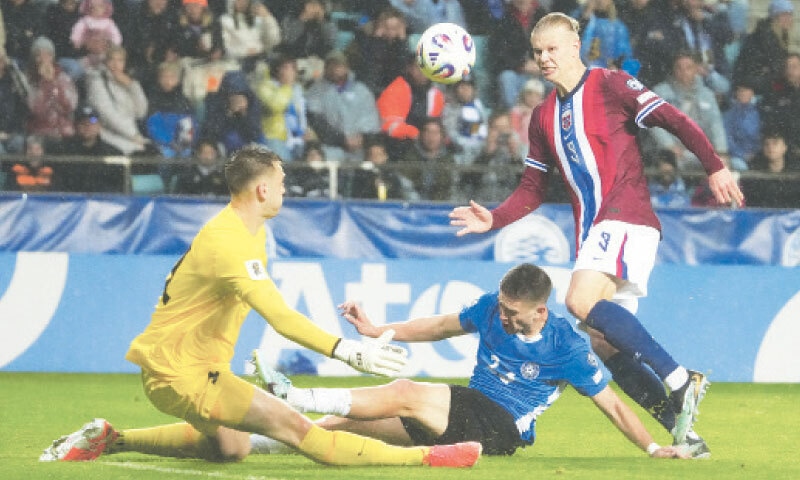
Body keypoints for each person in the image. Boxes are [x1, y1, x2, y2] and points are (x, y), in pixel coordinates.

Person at [39, 144, 481, 468]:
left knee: (231, 448)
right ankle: (430, 457)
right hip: (182, 373)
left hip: (184, 367)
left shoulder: (248, 232)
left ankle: (110, 439)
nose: (286, 191)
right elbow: (280, 316)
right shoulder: (229, 241)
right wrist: (346, 350)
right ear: (263, 189)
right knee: (301, 431)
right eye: (282, 184)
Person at [448, 12, 744, 454]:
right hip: (594, 232)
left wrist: (715, 166)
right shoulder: (543, 116)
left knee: (578, 300)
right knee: (602, 342)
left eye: (552, 49)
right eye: (537, 52)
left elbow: (674, 119)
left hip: (626, 215)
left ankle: (682, 380)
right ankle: (682, 430)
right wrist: (495, 218)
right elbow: (532, 188)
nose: (544, 58)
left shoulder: (612, 84)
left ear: (575, 47)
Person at [248, 263, 690, 459]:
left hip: (502, 427)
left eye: (513, 312)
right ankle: (256, 443)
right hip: (464, 415)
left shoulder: (567, 348)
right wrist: (376, 329)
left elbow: (613, 406)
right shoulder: (489, 309)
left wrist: (652, 447)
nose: (503, 317)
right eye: (502, 307)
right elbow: (439, 326)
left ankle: (293, 395)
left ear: (540, 310)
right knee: (343, 425)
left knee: (404, 391)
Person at [649, 51, 728, 171]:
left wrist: (721, 151)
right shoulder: (660, 92)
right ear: (674, 70)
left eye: (688, 68)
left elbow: (716, 124)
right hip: (671, 152)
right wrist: (669, 146)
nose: (684, 72)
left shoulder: (707, 95)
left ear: (696, 69)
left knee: (727, 167)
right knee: (668, 166)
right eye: (679, 68)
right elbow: (654, 123)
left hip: (700, 152)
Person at [304, 51, 380, 163]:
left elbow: (371, 120)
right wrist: (342, 140)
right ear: (326, 68)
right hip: (330, 148)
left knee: (377, 154)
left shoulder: (361, 91)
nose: (335, 69)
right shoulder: (315, 91)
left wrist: (362, 138)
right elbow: (317, 122)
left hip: (360, 148)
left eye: (338, 65)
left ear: (346, 67)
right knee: (316, 157)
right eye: (331, 65)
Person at [85, 45, 151, 155]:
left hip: (132, 137)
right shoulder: (96, 80)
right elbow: (107, 114)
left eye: (120, 60)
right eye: (112, 60)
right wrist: (133, 135)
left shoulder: (125, 80)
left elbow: (141, 112)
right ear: (106, 61)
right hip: (108, 137)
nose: (116, 64)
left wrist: (132, 86)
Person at [54, 105, 126, 193]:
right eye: (82, 122)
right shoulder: (62, 152)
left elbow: (121, 189)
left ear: (99, 125)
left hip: (104, 201)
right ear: (75, 126)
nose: (87, 125)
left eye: (93, 121)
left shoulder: (114, 153)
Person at [732, 0, 794, 97]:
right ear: (774, 17)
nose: (788, 18)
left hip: (764, 81)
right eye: (784, 15)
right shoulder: (765, 36)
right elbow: (772, 67)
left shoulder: (779, 33)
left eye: (790, 14)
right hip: (752, 85)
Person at [24, 36, 79, 142]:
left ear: (53, 57)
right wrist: (46, 83)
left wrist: (54, 82)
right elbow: (38, 111)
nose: (43, 59)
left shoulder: (63, 78)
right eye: (39, 55)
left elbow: (70, 106)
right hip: (40, 133)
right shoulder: (29, 80)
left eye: (47, 55)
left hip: (64, 132)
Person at [760, 53, 800, 164]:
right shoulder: (778, 92)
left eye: (794, 67)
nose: (790, 71)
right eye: (787, 67)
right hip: (785, 148)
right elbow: (773, 121)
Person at [723, 79, 760, 171]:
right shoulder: (729, 114)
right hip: (736, 156)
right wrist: (742, 154)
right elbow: (727, 138)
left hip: (758, 155)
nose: (742, 93)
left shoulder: (760, 111)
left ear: (752, 93)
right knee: (739, 165)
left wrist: (755, 153)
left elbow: (762, 135)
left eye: (746, 90)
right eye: (740, 90)